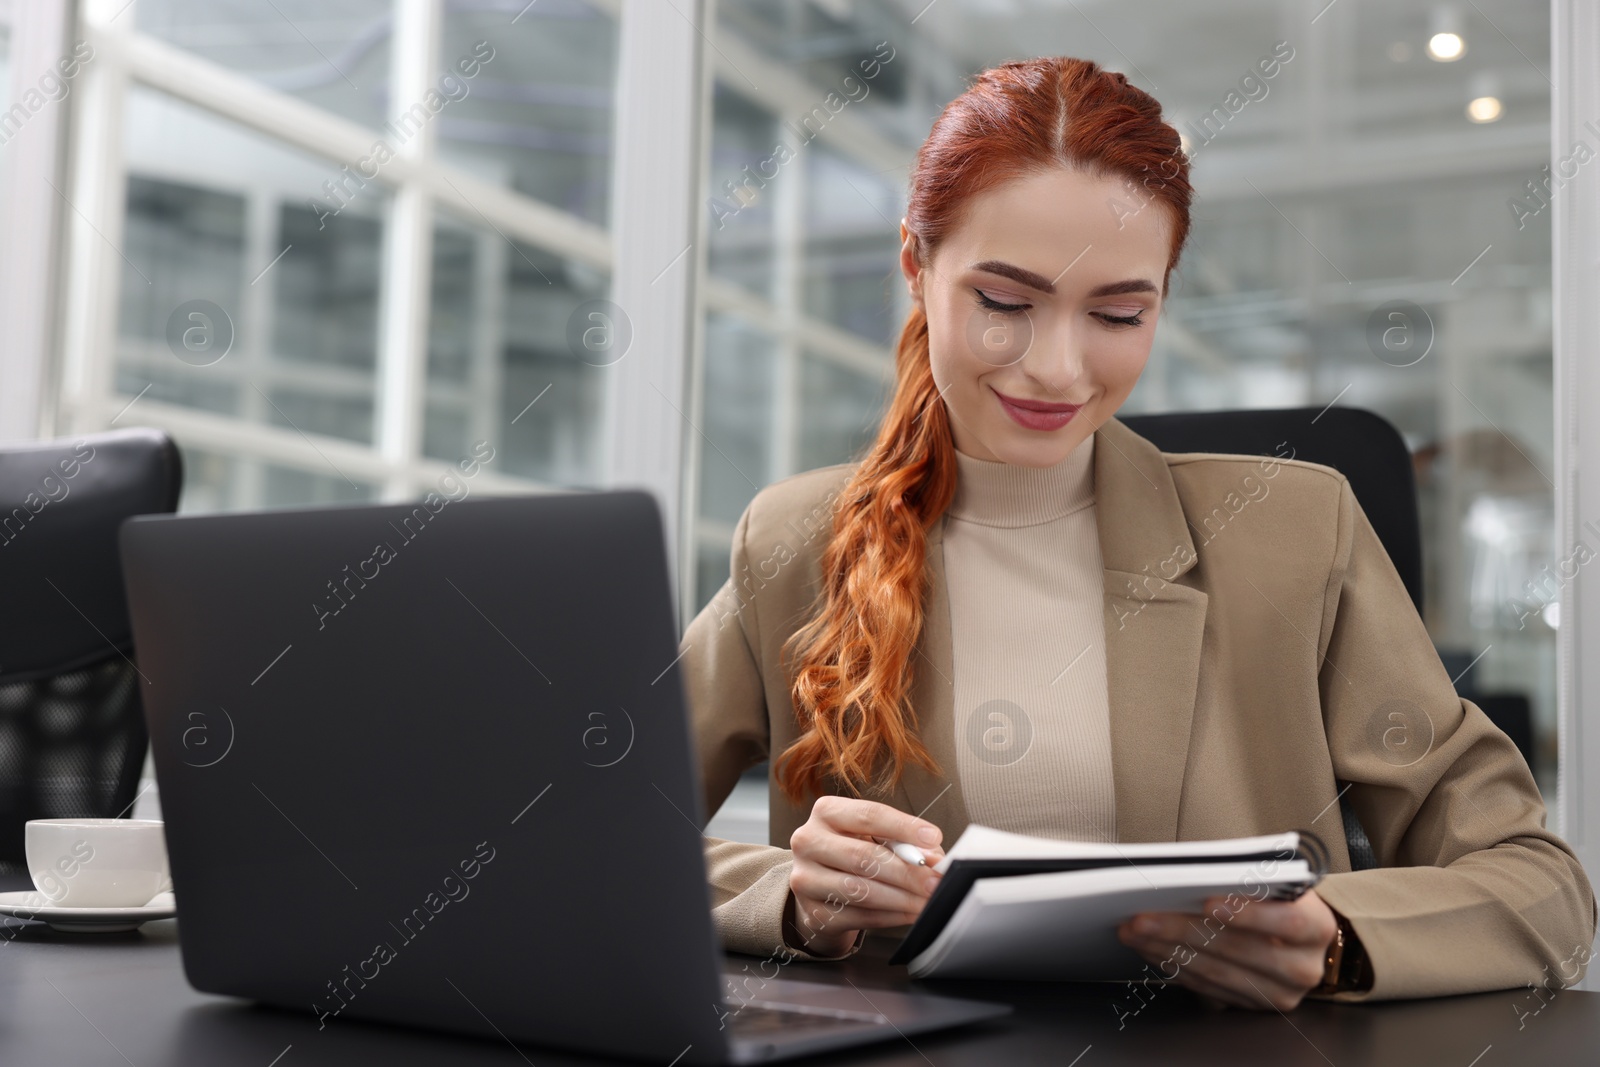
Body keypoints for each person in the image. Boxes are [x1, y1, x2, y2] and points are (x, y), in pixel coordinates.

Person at [678, 56, 1595, 1010]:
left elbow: (1541, 884)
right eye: (1003, 303)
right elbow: (574, 835)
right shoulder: (795, 541)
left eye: (1119, 312)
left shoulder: (1297, 532)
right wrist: (787, 893)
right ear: (917, 266)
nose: (1058, 369)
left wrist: (1341, 939)